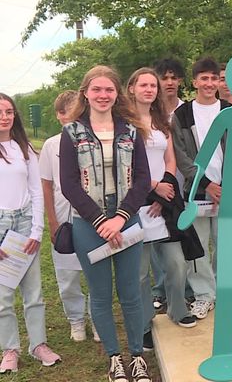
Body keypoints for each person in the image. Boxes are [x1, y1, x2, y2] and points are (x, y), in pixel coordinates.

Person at [59, 66, 152, 382]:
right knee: (100, 294)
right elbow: (69, 184)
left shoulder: (131, 130)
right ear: (85, 93)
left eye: (108, 90)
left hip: (126, 218)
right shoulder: (72, 132)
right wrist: (101, 221)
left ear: (117, 94)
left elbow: (142, 179)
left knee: (131, 293)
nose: (102, 95)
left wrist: (121, 218)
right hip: (89, 223)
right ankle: (115, 358)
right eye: (96, 89)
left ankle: (137, 356)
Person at [126, 67, 197, 353]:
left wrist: (164, 191)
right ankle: (144, 324)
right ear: (131, 88)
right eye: (143, 84)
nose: (149, 89)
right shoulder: (122, 123)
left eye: (152, 85)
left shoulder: (161, 121)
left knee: (177, 263)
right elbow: (126, 166)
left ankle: (177, 310)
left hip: (162, 204)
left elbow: (170, 159)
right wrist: (152, 187)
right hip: (135, 204)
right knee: (140, 273)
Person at [0, 93, 61, 374]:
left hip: (25, 223)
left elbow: (37, 192)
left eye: (9, 111)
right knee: (3, 294)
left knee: (33, 291)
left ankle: (38, 344)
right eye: (0, 112)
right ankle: (9, 348)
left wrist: (37, 230)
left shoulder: (24, 149)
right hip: (1, 227)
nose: (4, 116)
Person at [172, 57, 232, 319]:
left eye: (214, 78)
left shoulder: (230, 111)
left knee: (227, 244)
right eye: (204, 79)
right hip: (197, 191)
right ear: (195, 82)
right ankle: (204, 295)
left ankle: (228, 294)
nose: (209, 84)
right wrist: (207, 185)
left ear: (220, 81)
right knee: (198, 248)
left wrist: (225, 186)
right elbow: (181, 154)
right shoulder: (182, 115)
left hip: (228, 191)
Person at [39, 90, 99, 342]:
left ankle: (97, 318)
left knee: (97, 273)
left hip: (92, 217)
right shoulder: (51, 145)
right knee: (67, 275)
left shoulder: (94, 140)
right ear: (59, 116)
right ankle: (76, 319)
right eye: (68, 113)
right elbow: (46, 186)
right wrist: (52, 221)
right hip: (64, 219)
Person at [151, 58, 186, 311]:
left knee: (181, 241)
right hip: (154, 189)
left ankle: (186, 291)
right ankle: (160, 290)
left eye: (174, 77)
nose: (170, 82)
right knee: (155, 243)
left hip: (182, 186)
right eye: (165, 77)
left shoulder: (187, 111)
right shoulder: (146, 114)